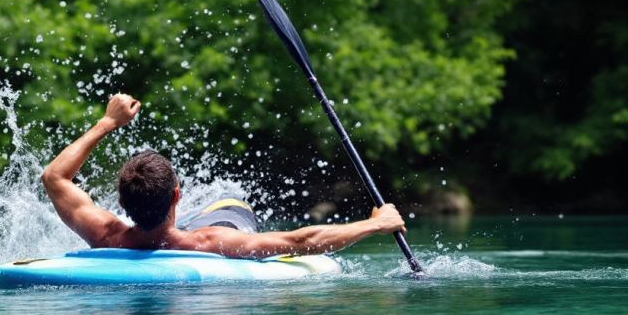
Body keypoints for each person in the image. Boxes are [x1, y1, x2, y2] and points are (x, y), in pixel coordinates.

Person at [41, 94, 407, 258]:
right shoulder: (210, 243)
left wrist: (107, 123)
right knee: (231, 203)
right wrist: (377, 224)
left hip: (161, 228)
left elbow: (55, 178)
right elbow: (300, 242)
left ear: (120, 203)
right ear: (176, 196)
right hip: (209, 224)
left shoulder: (106, 235)